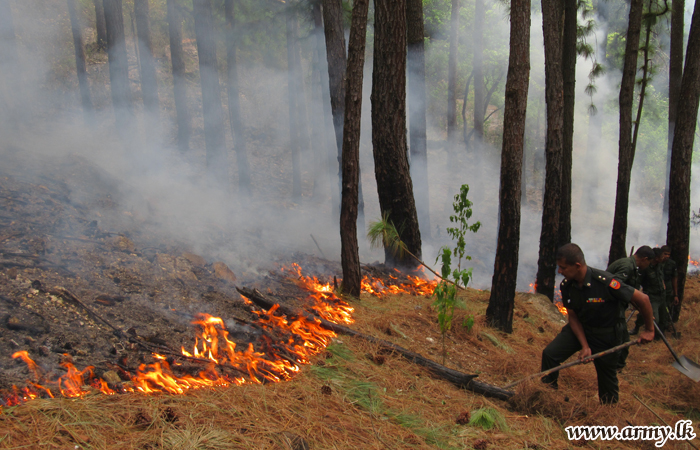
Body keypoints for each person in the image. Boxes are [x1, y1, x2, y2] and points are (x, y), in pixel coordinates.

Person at [541, 244, 654, 404]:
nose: (560, 272)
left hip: (606, 335)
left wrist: (649, 329)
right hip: (581, 329)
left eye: (563, 267)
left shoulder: (606, 282)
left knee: (607, 380)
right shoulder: (567, 285)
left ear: (578, 266)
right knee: (550, 354)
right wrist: (585, 346)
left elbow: (643, 299)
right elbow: (572, 317)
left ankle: (608, 415)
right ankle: (546, 396)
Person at [606, 245, 654, 370]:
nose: (648, 265)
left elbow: (626, 291)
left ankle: (617, 366)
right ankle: (613, 368)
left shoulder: (631, 266)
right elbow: (614, 287)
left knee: (623, 340)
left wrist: (643, 310)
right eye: (649, 262)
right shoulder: (627, 267)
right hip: (612, 308)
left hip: (616, 307)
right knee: (620, 339)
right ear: (644, 258)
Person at [634, 247, 670, 338]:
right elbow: (638, 282)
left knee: (663, 317)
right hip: (651, 297)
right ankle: (645, 330)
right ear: (656, 258)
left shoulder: (660, 266)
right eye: (662, 256)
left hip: (661, 295)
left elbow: (661, 278)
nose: (664, 258)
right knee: (654, 318)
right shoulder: (645, 268)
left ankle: (659, 336)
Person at [660, 245, 680, 325]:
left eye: (668, 254)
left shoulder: (672, 264)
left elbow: (674, 279)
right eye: (665, 254)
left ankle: (663, 327)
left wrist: (675, 295)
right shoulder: (655, 262)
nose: (667, 256)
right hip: (655, 290)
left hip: (667, 291)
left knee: (665, 310)